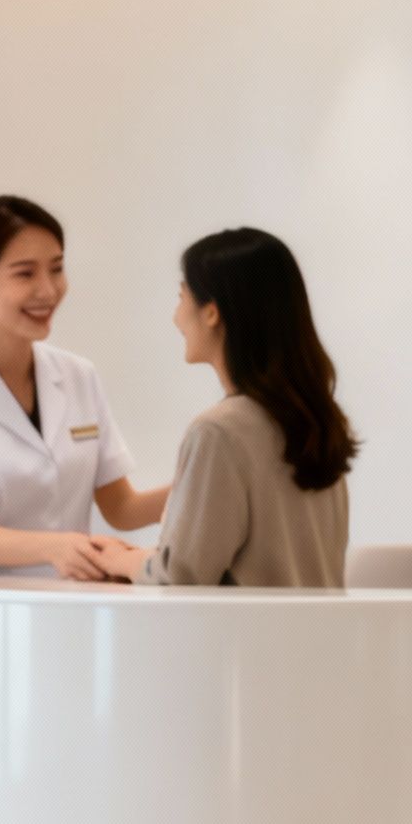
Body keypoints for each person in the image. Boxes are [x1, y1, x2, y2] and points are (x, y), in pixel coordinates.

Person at [0, 195, 167, 578]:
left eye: (56, 269)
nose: (48, 290)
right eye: (25, 274)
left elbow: (120, 507)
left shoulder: (79, 375)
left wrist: (202, 485)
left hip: (70, 600)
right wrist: (56, 545)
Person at [92, 228, 352, 587]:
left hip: (242, 641)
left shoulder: (219, 431)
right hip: (312, 640)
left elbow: (180, 575)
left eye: (182, 297)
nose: (176, 317)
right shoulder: (316, 421)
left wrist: (127, 560)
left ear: (211, 312)